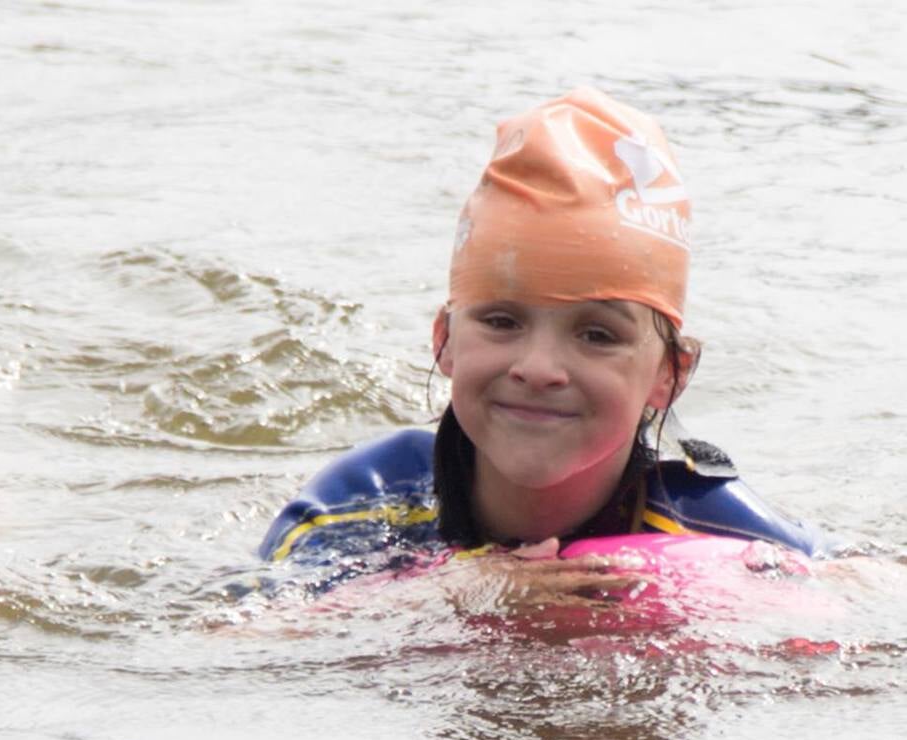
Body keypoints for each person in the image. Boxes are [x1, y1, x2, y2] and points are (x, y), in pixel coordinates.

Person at [254, 88, 823, 593]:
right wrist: (458, 594)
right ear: (445, 340)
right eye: (502, 322)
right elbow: (242, 641)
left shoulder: (717, 522)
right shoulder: (366, 499)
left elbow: (866, 596)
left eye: (597, 334)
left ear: (668, 374)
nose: (539, 368)